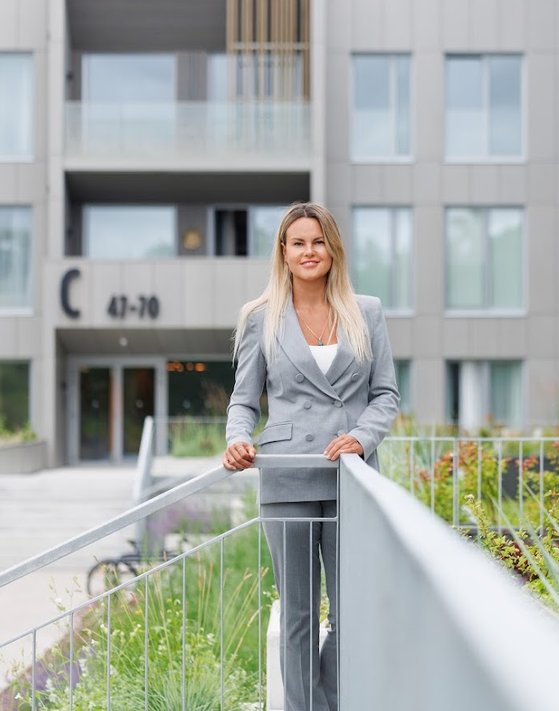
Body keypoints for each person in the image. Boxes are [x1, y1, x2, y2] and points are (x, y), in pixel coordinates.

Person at [223, 202, 400, 711]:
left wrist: (363, 438)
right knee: (298, 614)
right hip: (288, 477)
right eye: (298, 242)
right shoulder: (261, 318)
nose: (309, 251)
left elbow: (385, 393)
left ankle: (329, 702)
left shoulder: (366, 311)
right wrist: (238, 439)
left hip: (351, 477)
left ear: (333, 249)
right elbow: (243, 399)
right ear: (283, 251)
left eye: (318, 241)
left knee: (352, 611)